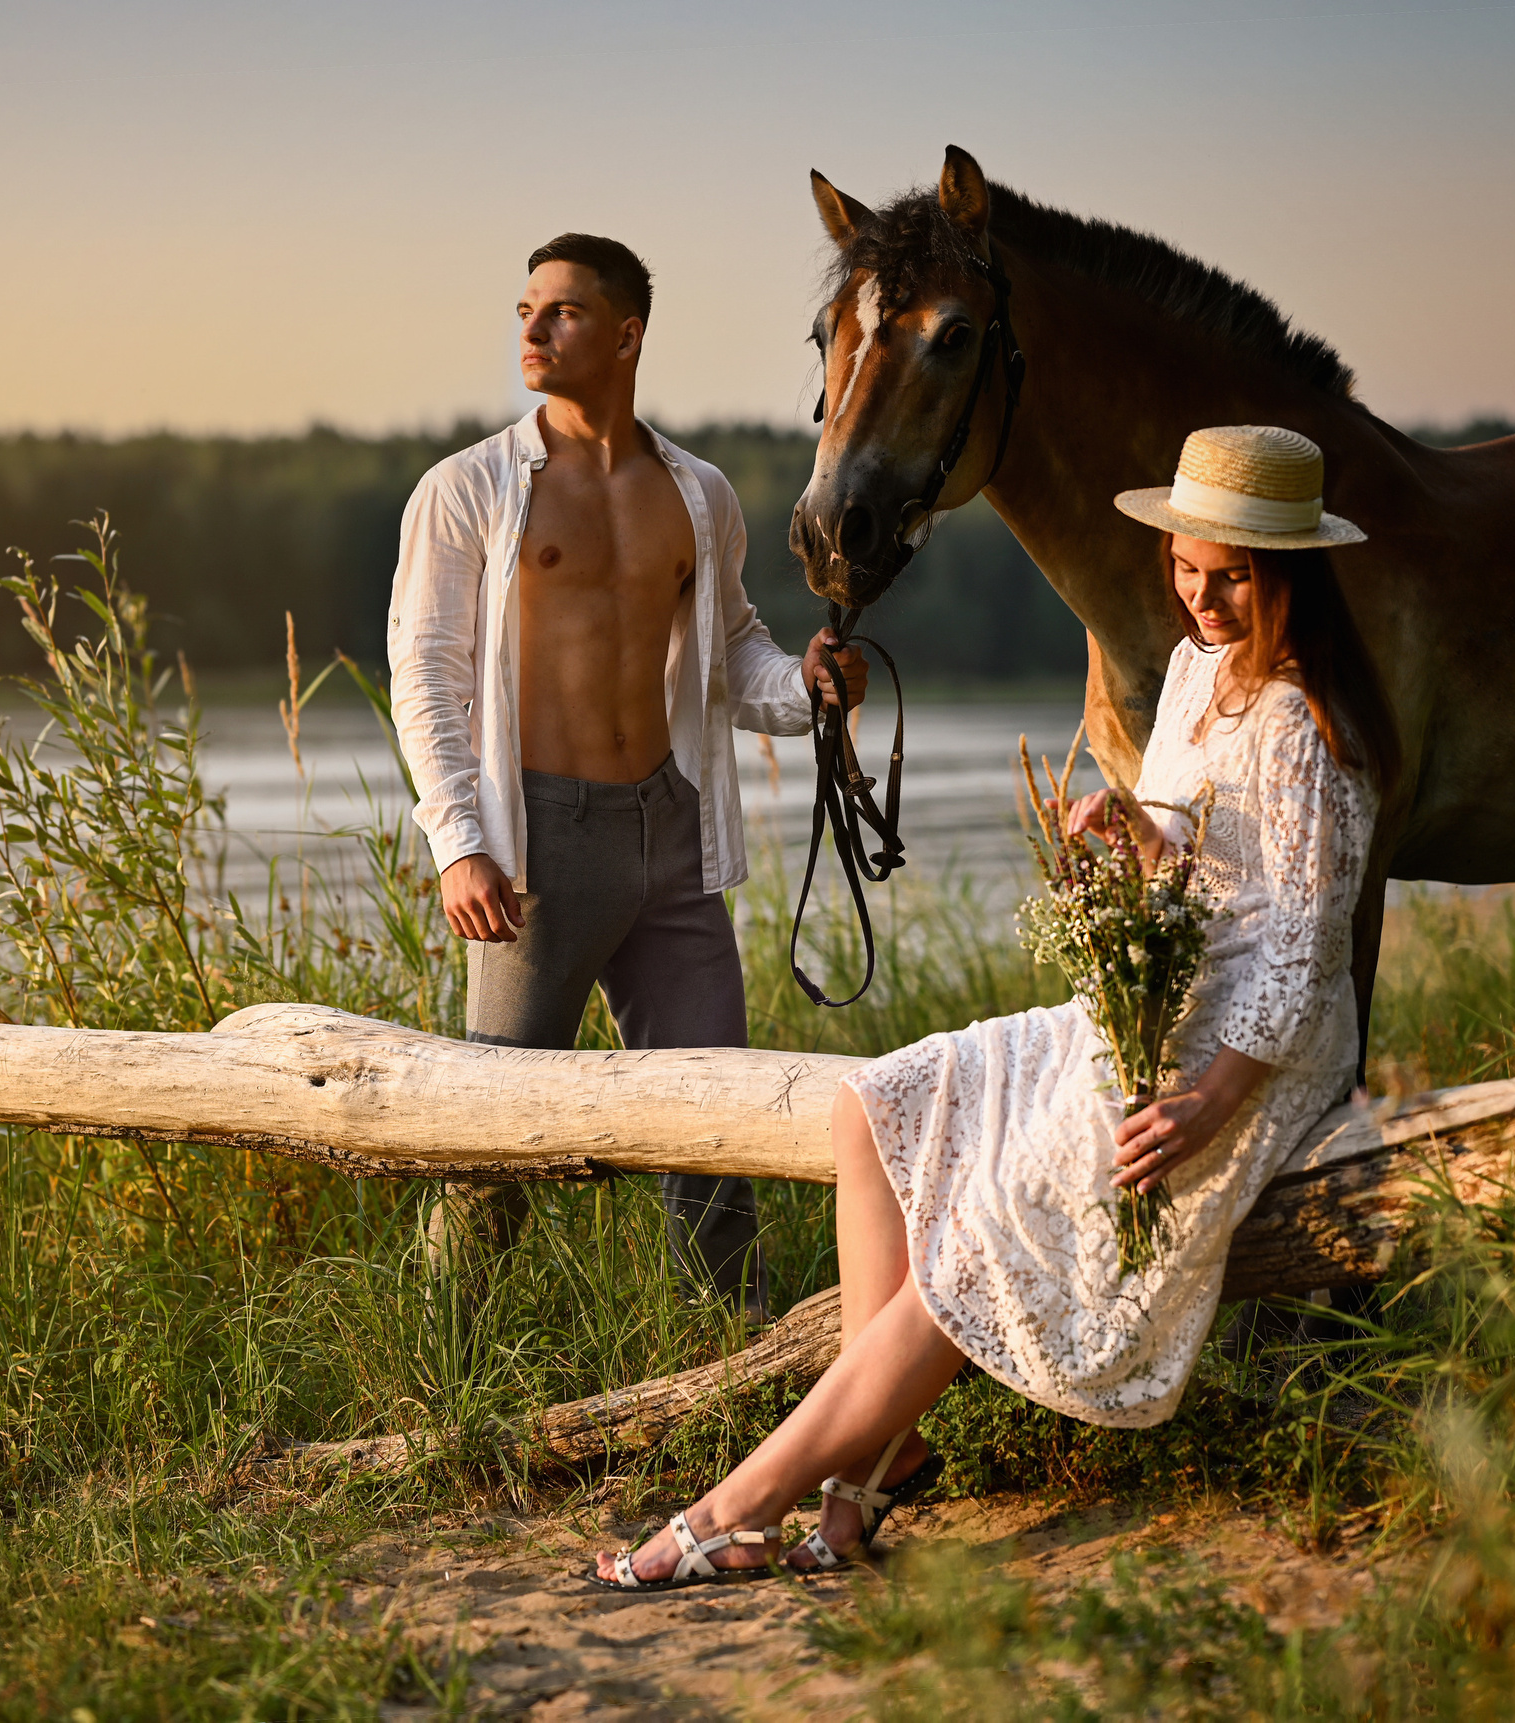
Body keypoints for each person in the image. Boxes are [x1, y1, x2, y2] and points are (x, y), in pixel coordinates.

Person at [593, 424, 1399, 1587]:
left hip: (1253, 1051)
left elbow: (1304, 949)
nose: (1199, 596)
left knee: (981, 1242)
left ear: (1291, 574)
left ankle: (738, 1506)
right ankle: (880, 1452)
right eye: (1184, 567)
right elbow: (1200, 869)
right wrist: (1134, 835)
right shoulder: (1194, 672)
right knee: (874, 1104)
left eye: (1229, 575)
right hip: (1159, 996)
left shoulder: (1312, 721)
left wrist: (1210, 1103)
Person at [387, 233, 866, 1317]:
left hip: (671, 827)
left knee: (715, 1117)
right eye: (525, 309)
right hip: (538, 846)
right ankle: (440, 1356)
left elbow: (732, 650)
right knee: (494, 1136)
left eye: (560, 311)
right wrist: (460, 842)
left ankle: (734, 1344)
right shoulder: (467, 490)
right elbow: (424, 677)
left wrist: (807, 685)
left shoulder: (697, 493)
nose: (532, 328)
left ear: (626, 334)